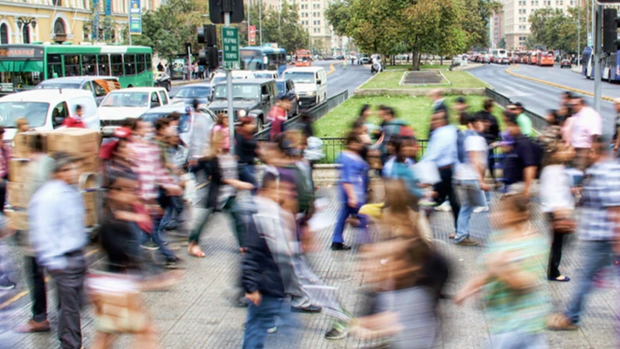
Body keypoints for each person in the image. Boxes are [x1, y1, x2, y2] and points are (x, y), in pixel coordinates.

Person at [455, 194, 550, 349]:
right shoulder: (497, 238)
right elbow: (487, 272)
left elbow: (527, 282)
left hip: (525, 321)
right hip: (503, 319)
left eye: (501, 212)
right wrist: (468, 289)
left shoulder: (531, 242)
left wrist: (503, 269)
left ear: (517, 215)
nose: (492, 215)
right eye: (493, 211)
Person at [548, 139, 620, 331]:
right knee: (588, 278)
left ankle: (571, 317)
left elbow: (616, 210)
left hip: (603, 238)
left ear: (597, 152)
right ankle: (572, 316)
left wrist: (617, 242)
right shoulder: (600, 172)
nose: (586, 154)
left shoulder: (608, 173)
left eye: (589, 151)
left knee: (585, 278)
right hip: (598, 236)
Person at [29, 152, 87, 349]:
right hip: (63, 259)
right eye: (67, 169)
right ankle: (70, 345)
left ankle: (70, 341)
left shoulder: (72, 192)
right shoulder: (48, 197)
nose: (73, 173)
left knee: (71, 306)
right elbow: (43, 231)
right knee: (69, 308)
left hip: (76, 256)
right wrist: (55, 262)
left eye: (74, 168)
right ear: (57, 173)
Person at [241, 174, 298, 349]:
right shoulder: (261, 218)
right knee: (257, 328)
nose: (281, 194)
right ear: (264, 191)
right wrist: (251, 288)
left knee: (259, 327)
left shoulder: (276, 215)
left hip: (274, 283)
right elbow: (251, 255)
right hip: (265, 285)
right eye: (276, 190)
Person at [188, 126, 254, 257]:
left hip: (229, 195)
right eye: (225, 138)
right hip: (217, 195)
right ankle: (193, 242)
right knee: (205, 220)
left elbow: (236, 172)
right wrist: (236, 182)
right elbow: (217, 176)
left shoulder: (230, 156)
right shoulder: (213, 157)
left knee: (238, 218)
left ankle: (243, 245)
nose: (228, 140)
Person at [128, 120, 184, 268]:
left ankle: (160, 257)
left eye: (148, 127)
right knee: (144, 230)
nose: (148, 130)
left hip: (148, 196)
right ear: (135, 130)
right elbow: (136, 175)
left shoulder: (150, 148)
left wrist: (171, 185)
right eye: (144, 127)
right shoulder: (131, 148)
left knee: (148, 229)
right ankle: (135, 261)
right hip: (137, 198)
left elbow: (158, 170)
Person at [14, 134, 55, 334]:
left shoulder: (32, 169)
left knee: (35, 275)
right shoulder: (53, 164)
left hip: (37, 235)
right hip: (54, 233)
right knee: (56, 274)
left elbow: (29, 204)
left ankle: (39, 318)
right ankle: (65, 314)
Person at [540, 146, 575, 283]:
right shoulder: (552, 170)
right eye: (565, 149)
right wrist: (559, 213)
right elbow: (550, 192)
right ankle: (553, 272)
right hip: (556, 211)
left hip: (560, 210)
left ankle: (554, 268)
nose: (570, 152)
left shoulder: (558, 169)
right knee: (557, 243)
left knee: (560, 242)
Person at [453, 114, 489, 246]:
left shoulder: (467, 137)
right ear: (473, 123)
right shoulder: (475, 138)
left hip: (465, 176)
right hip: (472, 178)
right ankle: (462, 235)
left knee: (467, 206)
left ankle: (460, 233)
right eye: (481, 122)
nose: (484, 125)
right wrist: (481, 180)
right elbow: (475, 160)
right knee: (482, 206)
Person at [421, 111, 460, 231]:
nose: (432, 123)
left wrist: (421, 167)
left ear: (442, 120)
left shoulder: (440, 134)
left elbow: (433, 154)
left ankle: (420, 222)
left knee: (439, 199)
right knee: (449, 201)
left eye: (435, 120)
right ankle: (460, 230)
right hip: (447, 171)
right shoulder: (452, 130)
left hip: (443, 171)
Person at [331, 132, 369, 251]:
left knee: (343, 216)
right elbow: (347, 178)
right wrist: (352, 196)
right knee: (362, 216)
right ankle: (364, 242)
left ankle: (337, 240)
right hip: (354, 193)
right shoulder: (350, 158)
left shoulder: (347, 157)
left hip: (351, 192)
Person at [502, 112, 540, 198]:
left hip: (521, 186)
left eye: (510, 126)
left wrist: (527, 189)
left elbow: (530, 166)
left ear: (518, 127)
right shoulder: (516, 143)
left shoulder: (524, 144)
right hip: (517, 185)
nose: (508, 129)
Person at [569, 96, 602, 171]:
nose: (573, 107)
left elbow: (595, 134)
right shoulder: (576, 114)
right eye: (572, 105)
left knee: (581, 170)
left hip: (585, 149)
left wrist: (593, 150)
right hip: (575, 148)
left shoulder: (590, 115)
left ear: (582, 104)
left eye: (576, 104)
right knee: (575, 170)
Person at [476, 99, 500, 184]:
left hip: (478, 141)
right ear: (490, 107)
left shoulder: (478, 115)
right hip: (489, 142)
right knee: (490, 161)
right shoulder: (493, 118)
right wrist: (496, 139)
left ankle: (480, 179)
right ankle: (494, 179)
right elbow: (497, 131)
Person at [236, 117, 258, 190]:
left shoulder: (250, 135)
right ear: (245, 125)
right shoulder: (240, 136)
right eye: (251, 124)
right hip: (243, 165)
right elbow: (238, 150)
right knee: (254, 186)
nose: (253, 126)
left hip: (250, 164)